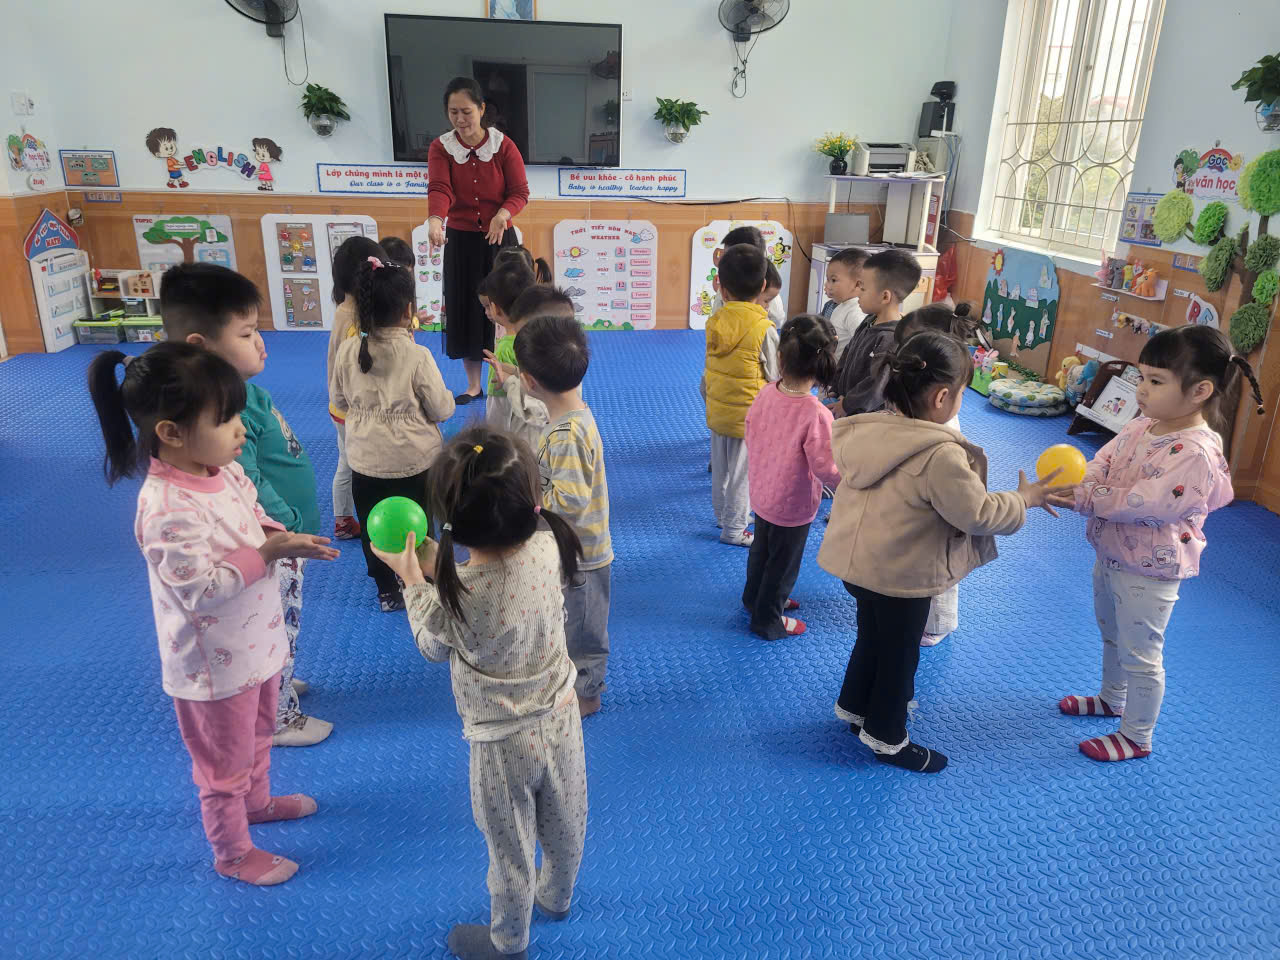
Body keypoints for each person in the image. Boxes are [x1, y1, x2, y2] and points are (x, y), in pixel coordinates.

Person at [87, 342, 338, 884]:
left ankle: (258, 802)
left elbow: (251, 510)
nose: (240, 430)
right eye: (225, 420)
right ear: (171, 433)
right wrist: (266, 554)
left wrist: (279, 535)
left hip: (257, 644)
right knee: (223, 766)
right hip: (213, 669)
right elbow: (200, 588)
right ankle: (232, 853)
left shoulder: (221, 469)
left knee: (259, 735)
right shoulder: (165, 507)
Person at [371, 427, 587, 960]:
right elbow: (503, 581)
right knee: (567, 821)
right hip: (562, 716)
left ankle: (508, 943)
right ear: (530, 501)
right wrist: (437, 563)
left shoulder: (458, 595)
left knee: (509, 851)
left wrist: (412, 578)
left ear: (449, 521)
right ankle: (558, 897)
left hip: (500, 744)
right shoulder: (549, 545)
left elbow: (432, 644)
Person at [818, 330, 1068, 773]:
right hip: (903, 577)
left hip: (858, 567)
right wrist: (1023, 499)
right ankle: (888, 738)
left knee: (871, 638)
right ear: (941, 397)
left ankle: (855, 709)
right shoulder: (939, 456)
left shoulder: (866, 431)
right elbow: (977, 514)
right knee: (900, 657)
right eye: (962, 395)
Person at [1048, 325, 1264, 762]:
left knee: (1141, 654)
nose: (1141, 389)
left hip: (1150, 569)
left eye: (1156, 381)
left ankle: (1136, 735)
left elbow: (1147, 502)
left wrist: (1087, 497)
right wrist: (1083, 480)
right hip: (1112, 553)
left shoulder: (1195, 452)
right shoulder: (1143, 425)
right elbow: (1106, 458)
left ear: (1200, 391)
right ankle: (1112, 699)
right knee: (1112, 634)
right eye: (1142, 377)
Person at [161, 263, 332, 748]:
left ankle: (273, 680)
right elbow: (248, 480)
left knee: (279, 627)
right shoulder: (219, 418)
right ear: (201, 346)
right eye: (246, 333)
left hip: (282, 539)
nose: (261, 343)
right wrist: (284, 529)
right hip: (271, 543)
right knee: (273, 626)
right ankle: (278, 716)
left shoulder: (246, 395)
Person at [330, 254, 455, 612]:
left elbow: (339, 399)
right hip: (415, 461)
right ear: (408, 311)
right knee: (420, 525)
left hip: (364, 461)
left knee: (374, 527)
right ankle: (423, 580)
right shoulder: (417, 356)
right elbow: (441, 409)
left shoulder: (348, 350)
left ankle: (386, 589)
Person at [515, 316, 613, 718]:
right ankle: (566, 677)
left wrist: (530, 501)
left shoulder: (567, 435)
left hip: (583, 555)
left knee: (584, 629)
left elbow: (569, 500)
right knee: (568, 620)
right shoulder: (569, 413)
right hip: (569, 549)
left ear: (530, 381)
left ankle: (587, 695)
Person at [427, 76, 531, 404]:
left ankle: (511, 374)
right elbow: (440, 188)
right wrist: (435, 219)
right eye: (453, 112)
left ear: (482, 109)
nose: (460, 119)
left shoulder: (504, 146)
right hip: (461, 243)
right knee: (467, 310)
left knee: (506, 307)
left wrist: (503, 214)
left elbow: (520, 192)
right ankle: (474, 385)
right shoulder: (441, 147)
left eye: (467, 112)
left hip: (499, 240)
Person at [742, 314, 841, 640]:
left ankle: (754, 599)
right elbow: (825, 467)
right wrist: (848, 483)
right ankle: (767, 619)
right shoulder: (816, 413)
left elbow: (750, 431)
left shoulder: (766, 392)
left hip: (762, 491)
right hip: (793, 503)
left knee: (761, 552)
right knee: (783, 564)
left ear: (780, 357)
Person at [892, 302, 980, 646]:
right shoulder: (917, 406)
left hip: (942, 514)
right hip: (918, 504)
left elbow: (973, 507)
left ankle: (941, 622)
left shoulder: (947, 433)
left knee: (941, 564)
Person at [703, 243, 778, 547]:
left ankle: (723, 515)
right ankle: (734, 529)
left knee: (721, 469)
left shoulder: (715, 321)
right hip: (748, 415)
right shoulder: (763, 327)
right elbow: (775, 374)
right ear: (762, 286)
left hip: (718, 410)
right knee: (742, 475)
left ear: (721, 288)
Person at [327, 235, 387, 541]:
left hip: (339, 405)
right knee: (353, 464)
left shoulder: (344, 308)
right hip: (352, 408)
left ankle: (343, 518)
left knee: (346, 461)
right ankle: (350, 518)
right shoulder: (356, 321)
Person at [830, 248, 922, 417]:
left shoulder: (891, 337)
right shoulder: (869, 320)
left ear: (885, 297)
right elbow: (847, 353)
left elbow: (876, 385)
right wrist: (835, 387)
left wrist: (847, 404)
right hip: (846, 403)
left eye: (863, 289)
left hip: (867, 417)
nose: (858, 293)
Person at [483, 284, 573, 451]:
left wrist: (508, 381)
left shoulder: (552, 393)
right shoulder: (566, 367)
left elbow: (529, 407)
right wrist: (512, 370)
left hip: (534, 449)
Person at [477, 261, 536, 416]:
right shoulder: (535, 337)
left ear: (495, 308)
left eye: (488, 306)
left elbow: (499, 397)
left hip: (508, 412)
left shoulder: (505, 347)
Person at [712, 225, 786, 328]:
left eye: (729, 257)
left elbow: (778, 321)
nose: (725, 261)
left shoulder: (769, 290)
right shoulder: (727, 285)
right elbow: (715, 316)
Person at [821, 247, 868, 349]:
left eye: (833, 280)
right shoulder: (841, 305)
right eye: (827, 280)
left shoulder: (854, 312)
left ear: (857, 284)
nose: (827, 285)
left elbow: (862, 345)